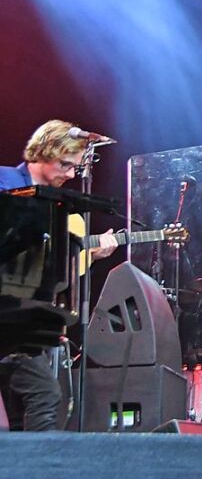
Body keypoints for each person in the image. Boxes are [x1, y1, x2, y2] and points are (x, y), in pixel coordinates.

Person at [0, 119, 116, 431]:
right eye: (65, 164)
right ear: (43, 151)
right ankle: (43, 474)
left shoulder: (56, 204)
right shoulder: (4, 181)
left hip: (20, 318)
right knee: (44, 395)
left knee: (25, 405)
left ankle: (20, 476)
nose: (70, 175)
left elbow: (45, 269)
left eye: (75, 168)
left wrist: (89, 256)